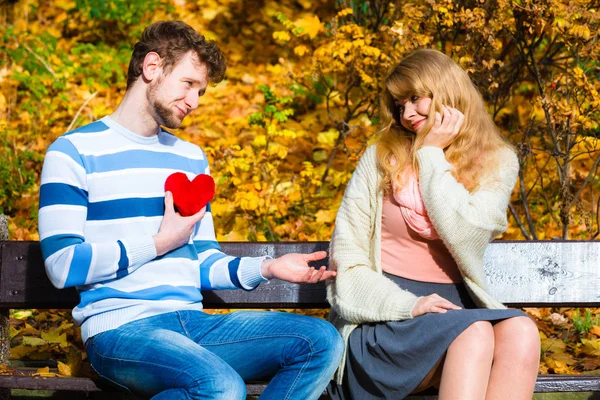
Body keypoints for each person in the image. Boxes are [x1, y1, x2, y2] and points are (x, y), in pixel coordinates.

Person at [38, 20, 342, 400]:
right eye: (188, 84)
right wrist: (159, 242)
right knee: (220, 387)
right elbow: (62, 265)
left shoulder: (190, 158)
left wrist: (266, 267)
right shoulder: (74, 152)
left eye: (201, 91)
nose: (195, 101)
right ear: (152, 67)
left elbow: (201, 261)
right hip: (120, 331)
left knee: (319, 340)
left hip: (193, 325)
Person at [326, 49, 540, 400]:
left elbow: (465, 234)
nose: (407, 114)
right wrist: (409, 304)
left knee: (521, 332)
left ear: (446, 91)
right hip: (384, 318)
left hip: (457, 314)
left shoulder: (497, 160)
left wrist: (430, 154)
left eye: (414, 99)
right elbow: (347, 263)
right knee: (474, 334)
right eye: (399, 104)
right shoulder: (381, 156)